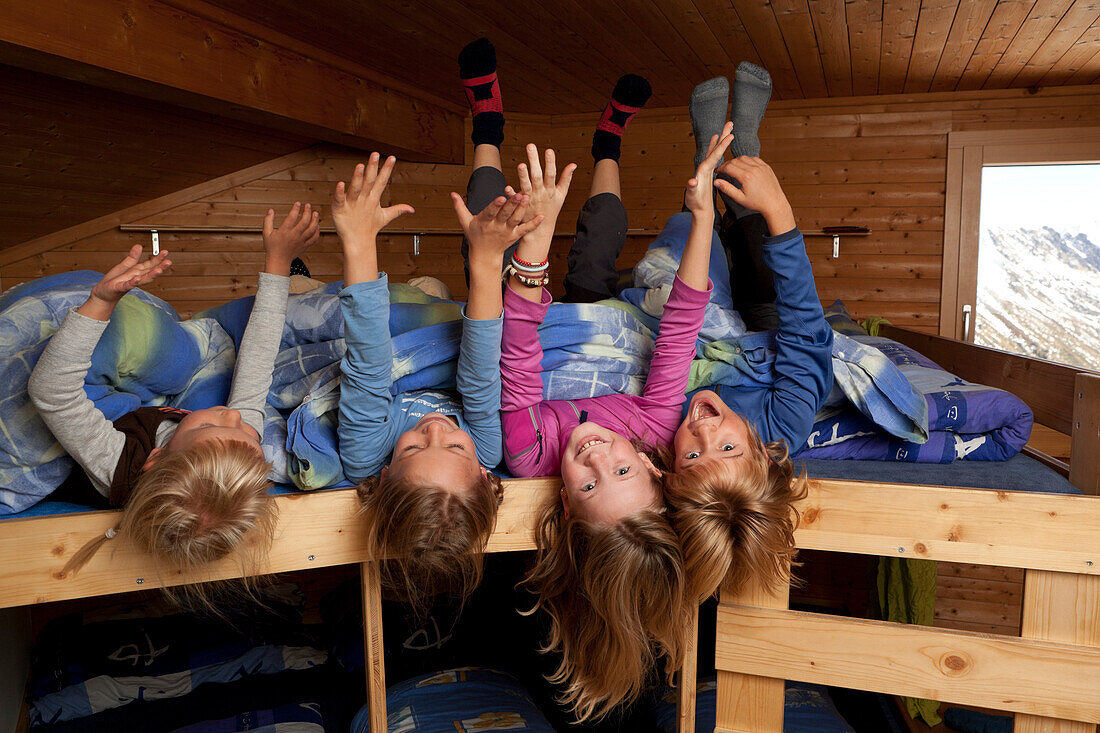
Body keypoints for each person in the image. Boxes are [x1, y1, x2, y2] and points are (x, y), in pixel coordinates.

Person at [499, 115, 735, 719]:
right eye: (623, 474)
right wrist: (703, 219)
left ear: (565, 506)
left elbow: (518, 345)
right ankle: (610, 140)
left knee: (539, 222)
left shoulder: (528, 451)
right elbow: (681, 329)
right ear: (656, 471)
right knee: (613, 238)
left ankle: (500, 127)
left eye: (586, 485)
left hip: (542, 298)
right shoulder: (657, 430)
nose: (597, 455)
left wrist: (535, 241)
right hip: (606, 316)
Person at [29, 203, 320, 597]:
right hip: (158, 413)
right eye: (250, 434)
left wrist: (101, 301)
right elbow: (258, 358)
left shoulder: (117, 464)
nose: (232, 416)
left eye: (208, 425)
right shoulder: (236, 440)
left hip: (118, 424)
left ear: (155, 458)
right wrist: (278, 261)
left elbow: (51, 392)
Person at [334, 153, 542, 617]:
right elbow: (481, 371)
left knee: (420, 291)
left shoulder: (366, 454)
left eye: (411, 450)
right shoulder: (487, 450)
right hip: (446, 336)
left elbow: (368, 361)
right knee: (434, 290)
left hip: (405, 343)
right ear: (487, 478)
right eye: (454, 449)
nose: (435, 430)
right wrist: (486, 259)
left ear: (384, 477)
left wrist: (359, 241)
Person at [665, 70, 831, 605]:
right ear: (762, 455)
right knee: (763, 275)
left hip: (703, 320)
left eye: (692, 457)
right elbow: (806, 329)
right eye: (730, 446)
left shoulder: (655, 429)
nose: (704, 428)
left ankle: (709, 169)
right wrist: (778, 207)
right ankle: (748, 154)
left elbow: (678, 320)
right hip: (759, 328)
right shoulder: (784, 425)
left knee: (689, 246)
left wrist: (698, 224)